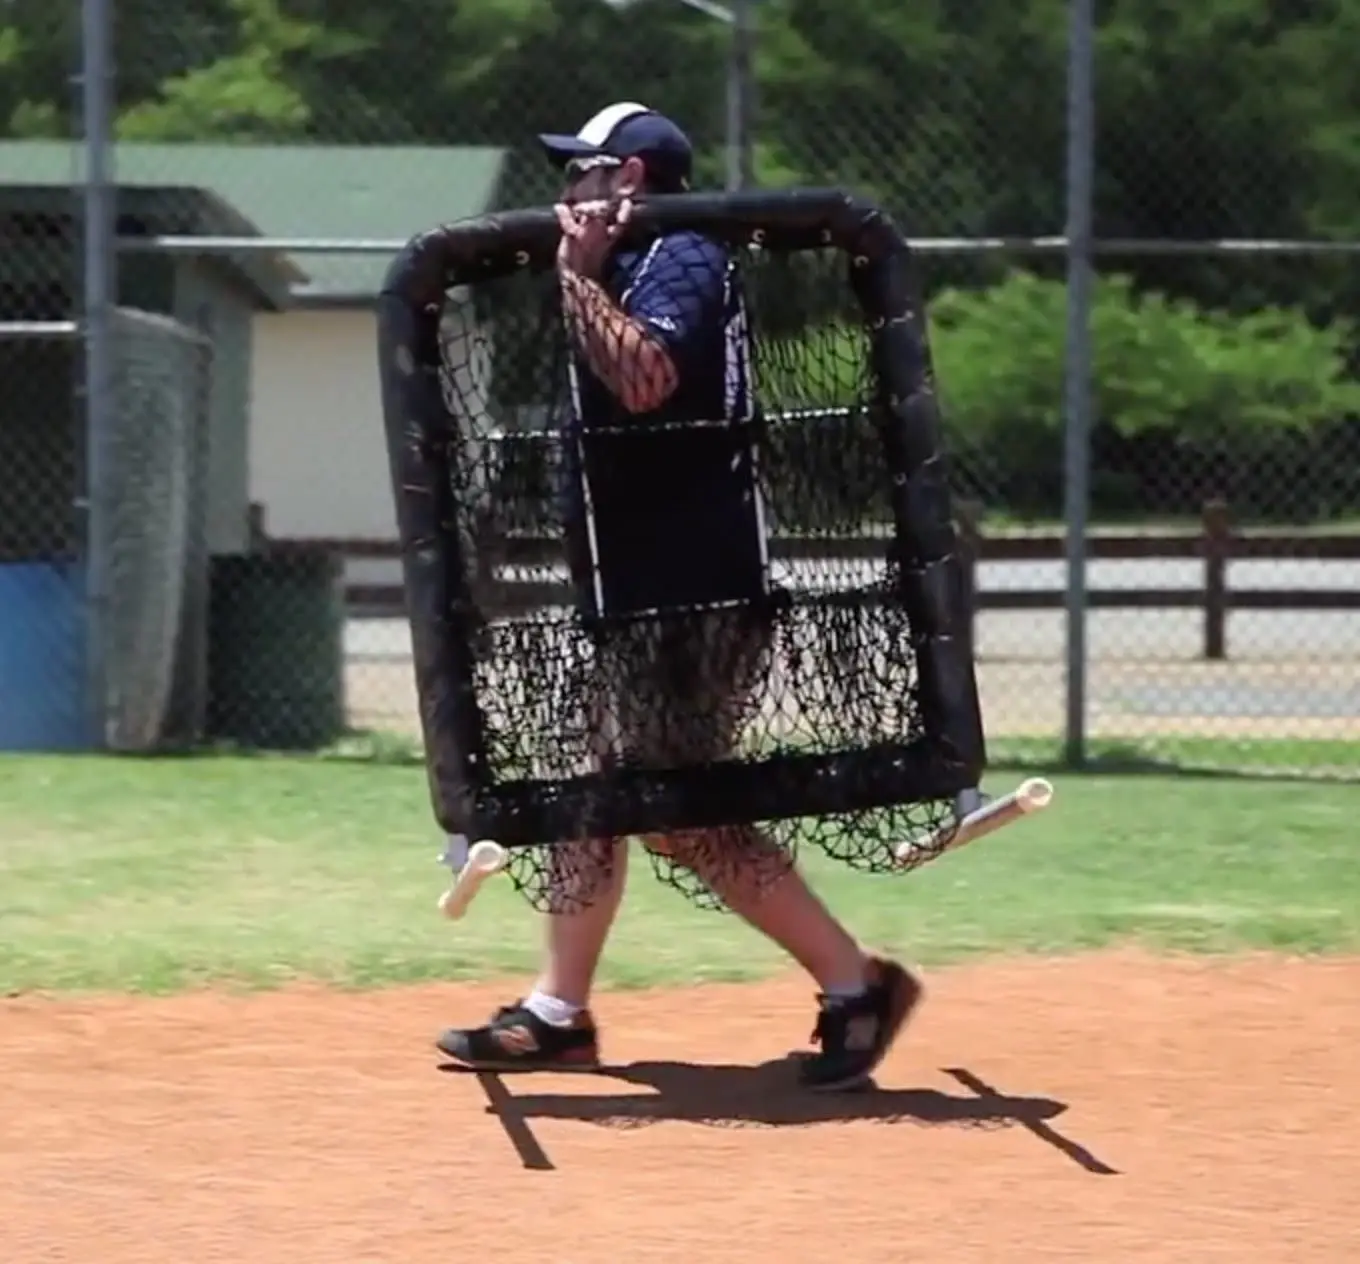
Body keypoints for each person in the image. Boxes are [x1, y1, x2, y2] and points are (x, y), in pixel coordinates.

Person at [436, 103, 921, 1092]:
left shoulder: (685, 253)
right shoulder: (629, 265)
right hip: (640, 593)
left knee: (674, 811)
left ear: (636, 181)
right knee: (595, 790)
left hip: (694, 594)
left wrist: (574, 277)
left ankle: (854, 984)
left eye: (587, 172)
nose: (567, 192)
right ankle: (557, 1012)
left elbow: (648, 376)